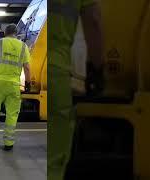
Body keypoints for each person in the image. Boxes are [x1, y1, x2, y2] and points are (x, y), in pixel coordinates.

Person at [49, 0, 104, 179]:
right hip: (57, 73)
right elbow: (94, 21)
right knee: (54, 159)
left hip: (43, 67)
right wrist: (97, 69)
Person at [0, 24, 31, 151]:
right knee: (12, 114)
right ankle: (8, 143)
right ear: (16, 33)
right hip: (14, 85)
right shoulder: (23, 46)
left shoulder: (0, 43)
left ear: (5, 33)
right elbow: (27, 67)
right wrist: (28, 83)